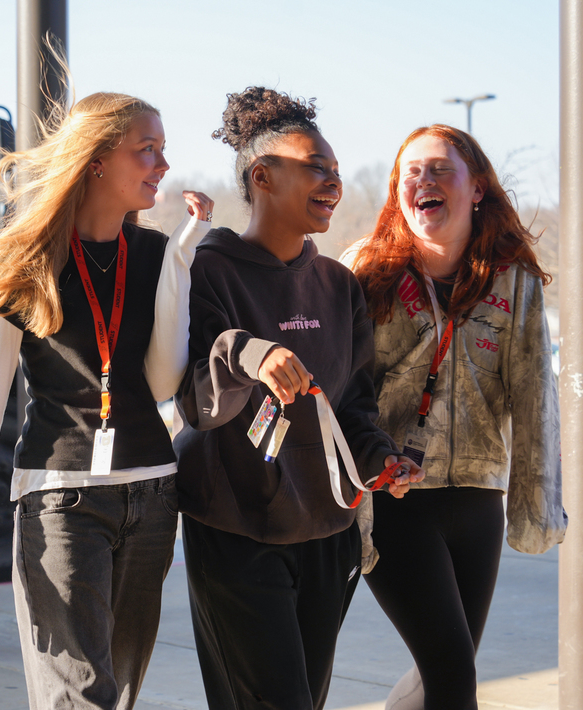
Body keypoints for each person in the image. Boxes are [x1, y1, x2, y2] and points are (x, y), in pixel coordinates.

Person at [0, 91, 213, 710]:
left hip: (151, 494)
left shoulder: (156, 254)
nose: (163, 165)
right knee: (81, 699)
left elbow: (165, 383)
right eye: (147, 150)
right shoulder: (24, 259)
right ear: (95, 159)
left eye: (164, 150)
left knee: (117, 696)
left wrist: (183, 258)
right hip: (59, 501)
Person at [172, 87, 422, 710]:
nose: (333, 183)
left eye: (336, 172)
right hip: (235, 530)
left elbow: (353, 408)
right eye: (317, 167)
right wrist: (249, 355)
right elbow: (198, 403)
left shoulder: (338, 285)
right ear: (262, 175)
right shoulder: (208, 271)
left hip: (327, 534)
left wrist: (380, 462)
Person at [343, 125, 567, 710]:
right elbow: (344, 392)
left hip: (477, 499)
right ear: (398, 193)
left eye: (440, 168)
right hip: (392, 499)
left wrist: (533, 506)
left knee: (444, 670)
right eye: (411, 172)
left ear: (477, 189)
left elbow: (534, 394)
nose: (424, 180)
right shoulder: (364, 273)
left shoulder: (513, 278)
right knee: (451, 676)